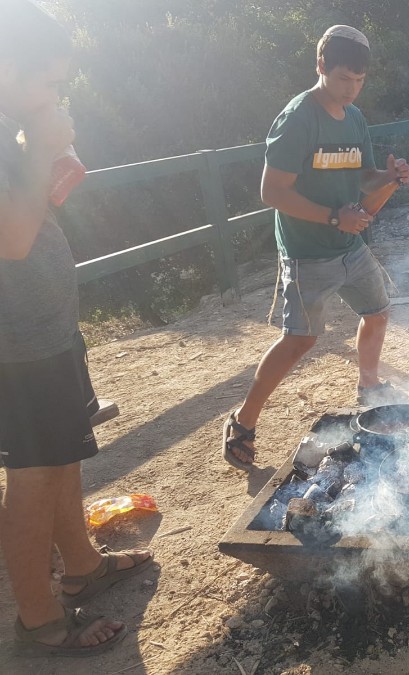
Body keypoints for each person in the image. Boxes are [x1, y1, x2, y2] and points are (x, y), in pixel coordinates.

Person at [0, 0, 152, 656]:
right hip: (17, 344)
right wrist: (45, 148)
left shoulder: (13, 127)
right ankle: (37, 617)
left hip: (47, 329)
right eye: (49, 83)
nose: (56, 95)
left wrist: (45, 154)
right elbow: (11, 236)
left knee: (62, 454)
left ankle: (83, 562)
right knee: (32, 477)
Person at [222, 25, 409, 471]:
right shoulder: (297, 118)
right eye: (344, 78)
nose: (352, 89)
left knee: (378, 312)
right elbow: (271, 191)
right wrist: (332, 217)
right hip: (308, 250)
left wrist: (389, 177)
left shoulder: (355, 116)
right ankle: (243, 421)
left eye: (360, 81)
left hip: (350, 244)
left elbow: (361, 176)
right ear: (321, 65)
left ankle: (368, 390)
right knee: (301, 339)